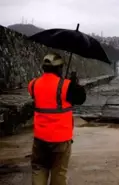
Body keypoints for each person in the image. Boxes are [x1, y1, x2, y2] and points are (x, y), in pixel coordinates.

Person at [27, 53, 86, 185]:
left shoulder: (33, 84)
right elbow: (81, 98)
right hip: (60, 139)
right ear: (59, 68)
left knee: (38, 168)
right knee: (59, 171)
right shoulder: (66, 86)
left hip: (40, 138)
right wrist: (74, 83)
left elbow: (42, 94)